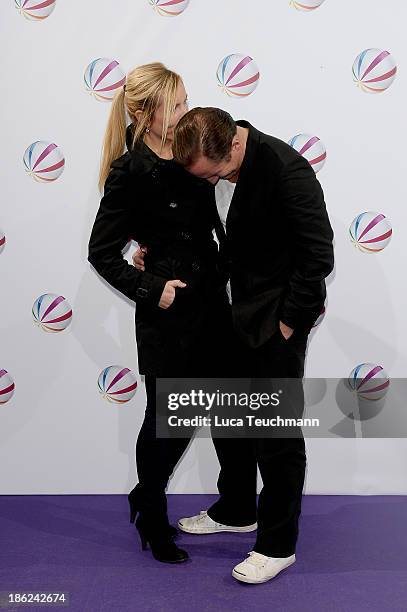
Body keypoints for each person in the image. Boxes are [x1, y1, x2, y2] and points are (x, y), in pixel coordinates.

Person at [134, 107, 334, 583]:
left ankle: (278, 544)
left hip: (273, 324)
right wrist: (153, 254)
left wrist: (290, 323)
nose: (212, 181)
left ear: (235, 146)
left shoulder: (286, 170)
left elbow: (318, 254)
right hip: (226, 318)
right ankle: (237, 509)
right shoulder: (207, 155)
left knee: (276, 435)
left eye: (217, 173)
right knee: (229, 420)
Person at [87, 67, 231, 564]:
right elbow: (101, 252)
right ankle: (151, 512)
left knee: (195, 415)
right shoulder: (130, 172)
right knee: (167, 421)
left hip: (211, 301)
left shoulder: (193, 149)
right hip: (168, 313)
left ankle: (142, 497)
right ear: (146, 114)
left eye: (186, 100)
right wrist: (151, 289)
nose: (184, 111)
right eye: (175, 105)